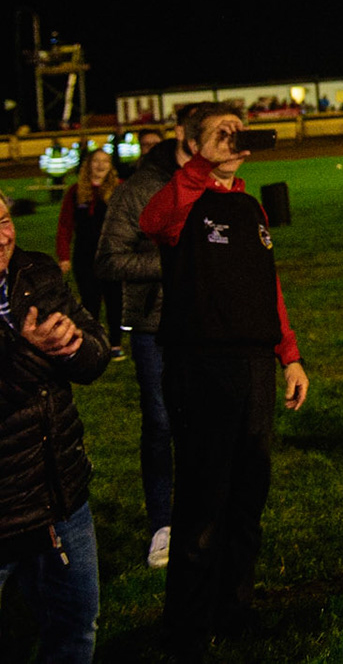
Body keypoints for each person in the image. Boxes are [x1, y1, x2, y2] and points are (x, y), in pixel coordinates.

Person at [139, 103, 309, 661]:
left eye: (237, 133)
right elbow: (151, 222)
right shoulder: (182, 201)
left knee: (247, 496)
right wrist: (199, 167)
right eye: (220, 134)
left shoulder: (249, 205)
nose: (234, 142)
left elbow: (269, 285)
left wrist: (289, 355)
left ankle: (234, 612)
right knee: (202, 502)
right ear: (191, 145)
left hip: (255, 365)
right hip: (202, 366)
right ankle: (186, 631)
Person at [98, 110, 221, 570]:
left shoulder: (221, 183)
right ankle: (162, 525)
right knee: (162, 423)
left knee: (210, 420)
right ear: (184, 137)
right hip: (155, 326)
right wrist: (177, 263)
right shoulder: (138, 188)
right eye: (215, 135)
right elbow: (108, 261)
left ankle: (207, 517)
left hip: (211, 323)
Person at [1, 190, 110, 664]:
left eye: (3, 220)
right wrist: (32, 354)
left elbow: (97, 352)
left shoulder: (38, 271)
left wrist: (74, 347)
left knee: (74, 630)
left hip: (60, 496)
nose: (1, 237)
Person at [57, 147, 125, 359]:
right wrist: (63, 256)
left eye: (105, 161)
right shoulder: (76, 192)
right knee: (89, 300)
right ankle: (93, 344)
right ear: (89, 164)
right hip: (85, 255)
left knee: (115, 299)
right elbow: (65, 226)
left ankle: (115, 342)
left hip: (112, 254)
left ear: (110, 165)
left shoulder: (119, 189)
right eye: (96, 161)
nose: (101, 165)